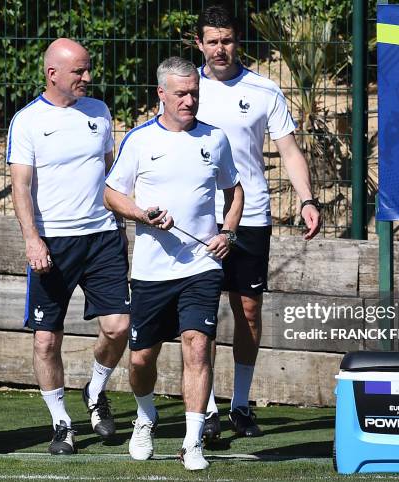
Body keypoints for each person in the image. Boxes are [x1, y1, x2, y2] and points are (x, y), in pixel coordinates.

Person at [104, 56, 244, 470]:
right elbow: (113, 194)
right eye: (181, 93)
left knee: (197, 347)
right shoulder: (140, 140)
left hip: (202, 266)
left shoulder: (215, 139)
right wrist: (141, 213)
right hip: (150, 272)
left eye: (194, 93)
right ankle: (145, 415)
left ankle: (192, 441)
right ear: (161, 94)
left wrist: (228, 233)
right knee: (142, 359)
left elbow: (235, 192)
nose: (189, 100)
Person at [194, 5, 322, 441]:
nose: (220, 49)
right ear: (199, 44)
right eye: (212, 41)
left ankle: (241, 404)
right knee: (200, 313)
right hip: (199, 219)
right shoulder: (186, 88)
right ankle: (205, 409)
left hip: (250, 216)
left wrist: (307, 199)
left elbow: (288, 150)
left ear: (237, 41)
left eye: (227, 40)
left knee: (248, 310)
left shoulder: (264, 90)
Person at [7, 38, 130, 455]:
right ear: (52, 73)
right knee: (46, 341)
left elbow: (111, 173)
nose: (87, 77)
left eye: (88, 68)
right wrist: (32, 239)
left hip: (102, 237)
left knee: (118, 327)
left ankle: (95, 392)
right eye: (79, 71)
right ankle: (61, 424)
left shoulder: (99, 111)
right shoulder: (26, 121)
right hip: (52, 243)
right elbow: (20, 186)